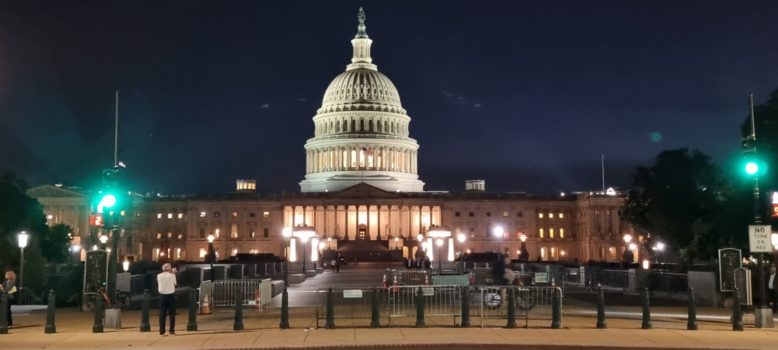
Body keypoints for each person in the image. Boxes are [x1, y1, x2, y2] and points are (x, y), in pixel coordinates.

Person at [157, 263, 177, 336]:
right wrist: (173, 273)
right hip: (171, 296)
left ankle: (161, 331)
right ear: (169, 268)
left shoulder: (158, 275)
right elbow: (175, 284)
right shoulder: (172, 275)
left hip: (162, 296)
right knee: (172, 314)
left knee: (162, 314)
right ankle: (171, 330)